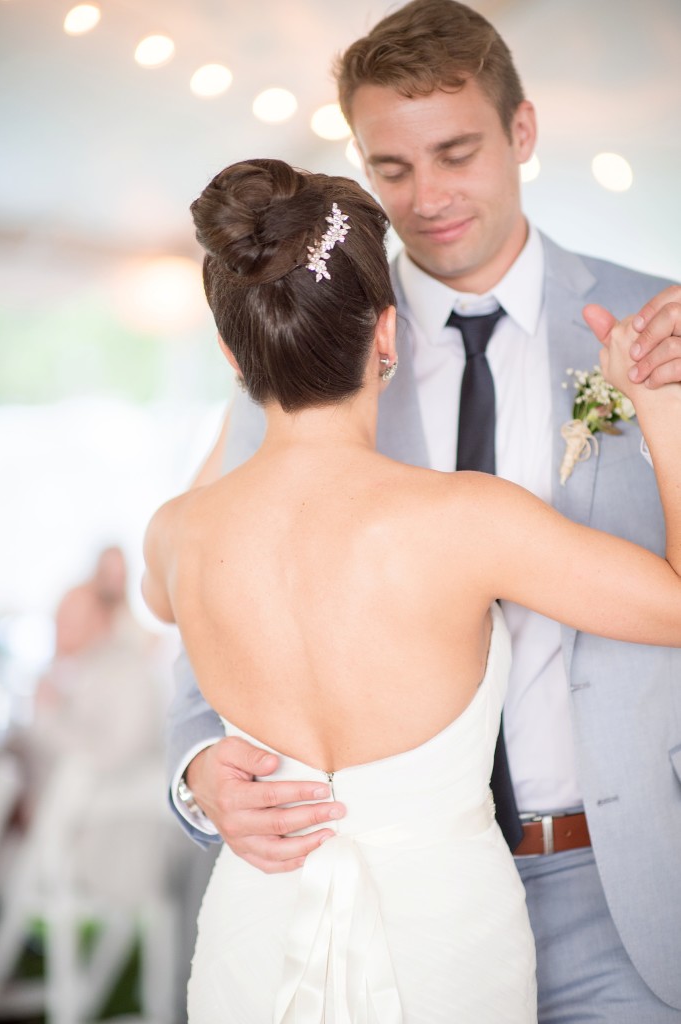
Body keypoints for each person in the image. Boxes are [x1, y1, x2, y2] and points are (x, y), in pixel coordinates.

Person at [165, 3, 681, 1020]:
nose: (427, 197)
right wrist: (197, 771)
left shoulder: (658, 321)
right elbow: (206, 623)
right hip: (363, 887)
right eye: (389, 167)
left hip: (615, 881)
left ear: (519, 132)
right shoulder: (305, 342)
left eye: (454, 152)